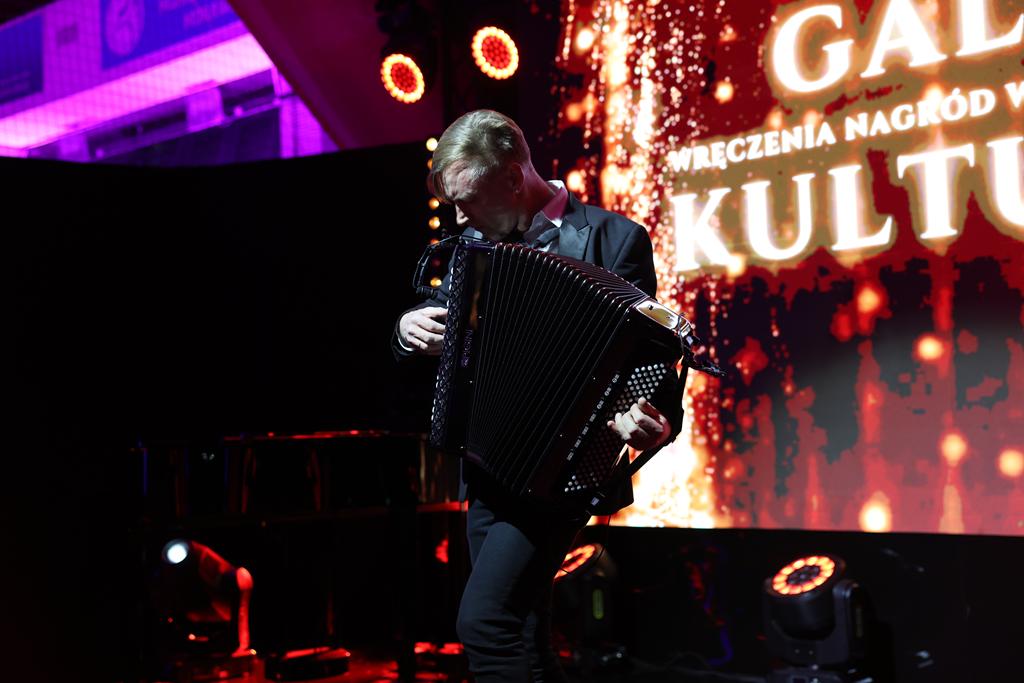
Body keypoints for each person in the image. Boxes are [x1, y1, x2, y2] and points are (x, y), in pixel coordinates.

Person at [392, 109, 673, 682]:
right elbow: (431, 327)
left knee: (486, 624)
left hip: (563, 469)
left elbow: (649, 354)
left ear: (513, 177)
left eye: (468, 200)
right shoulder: (470, 248)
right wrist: (405, 329)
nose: (458, 216)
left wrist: (654, 416)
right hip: (488, 464)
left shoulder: (615, 239)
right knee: (522, 633)